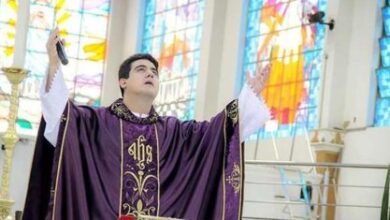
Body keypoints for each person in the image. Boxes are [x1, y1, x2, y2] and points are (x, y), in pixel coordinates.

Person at [23, 28, 271, 220]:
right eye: (141, 69)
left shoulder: (176, 134)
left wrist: (250, 96)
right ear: (123, 82)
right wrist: (54, 64)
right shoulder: (95, 123)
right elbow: (60, 118)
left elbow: (218, 136)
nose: (150, 74)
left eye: (154, 71)